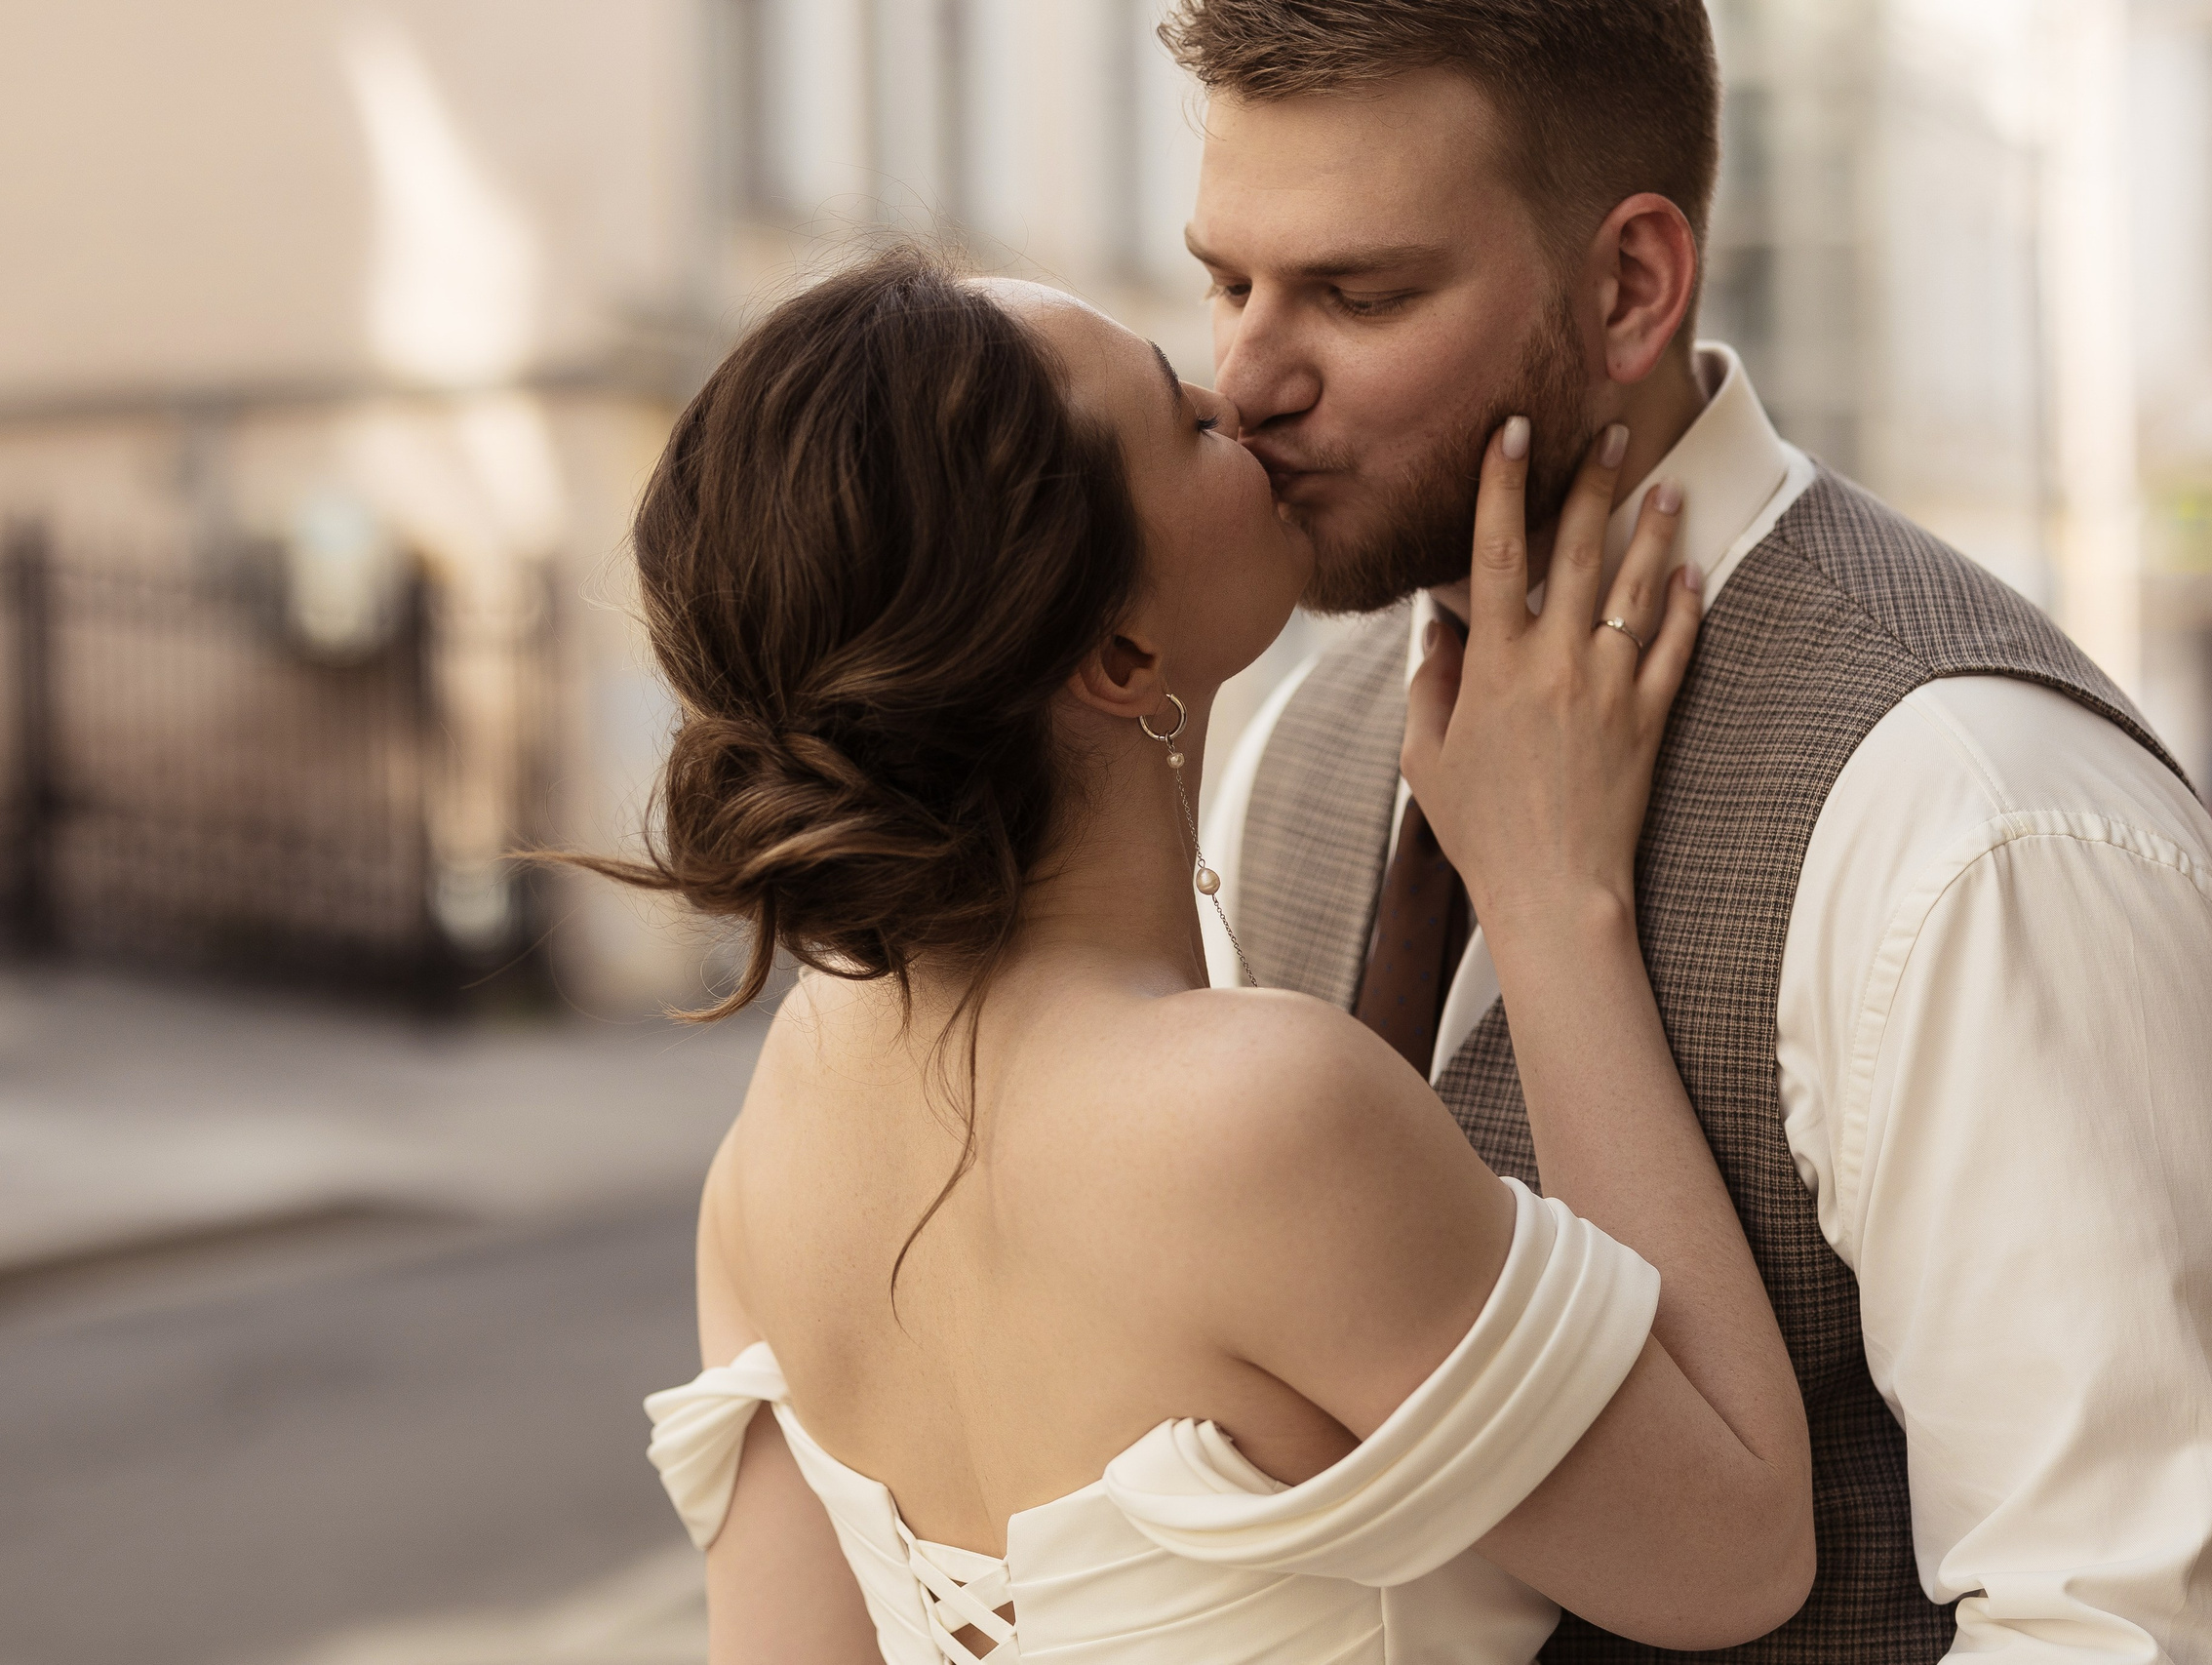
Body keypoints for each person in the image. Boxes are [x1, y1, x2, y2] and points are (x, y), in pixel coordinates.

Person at [1170, 1, 2212, 1659]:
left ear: (1631, 285)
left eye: (1360, 292)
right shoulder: (1287, 743)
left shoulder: (1972, 798)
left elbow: (2118, 1623)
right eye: (1227, 280)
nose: (1248, 378)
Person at [613, 247, 1815, 1662]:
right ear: (1121, 659)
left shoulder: (783, 1120)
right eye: (1181, 420)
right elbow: (1734, 1549)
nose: (1238, 393)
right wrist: (1554, 903)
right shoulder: (1261, 1116)